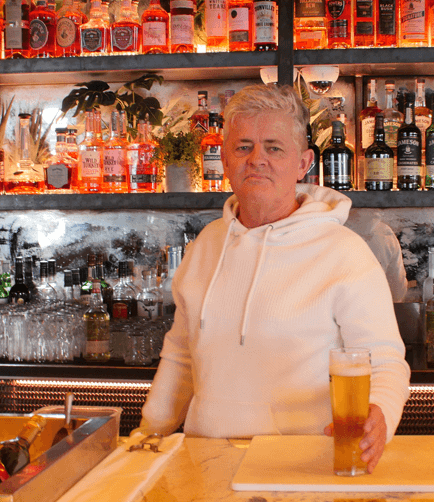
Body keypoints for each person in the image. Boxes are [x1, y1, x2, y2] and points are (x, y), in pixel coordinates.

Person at [141, 84, 410, 473]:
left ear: (303, 163)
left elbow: (384, 360)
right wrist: (148, 435)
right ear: (225, 160)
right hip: (206, 463)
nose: (257, 160)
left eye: (274, 147)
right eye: (243, 146)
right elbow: (181, 356)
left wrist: (381, 412)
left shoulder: (344, 252)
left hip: (303, 468)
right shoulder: (206, 246)